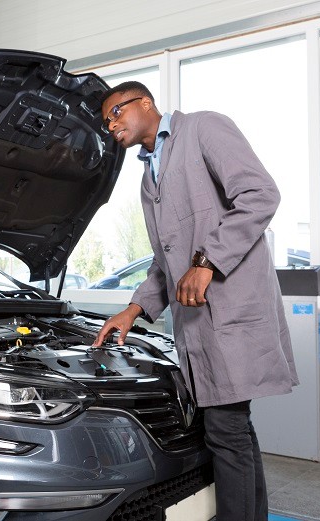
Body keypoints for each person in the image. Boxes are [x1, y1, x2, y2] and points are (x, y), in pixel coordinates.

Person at [93, 81, 298, 521]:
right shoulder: (149, 177)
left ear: (145, 103)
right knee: (232, 431)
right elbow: (164, 261)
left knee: (226, 431)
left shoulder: (204, 129)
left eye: (115, 113)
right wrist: (133, 310)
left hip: (231, 311)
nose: (110, 125)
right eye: (105, 120)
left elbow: (261, 194)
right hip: (196, 325)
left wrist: (207, 262)